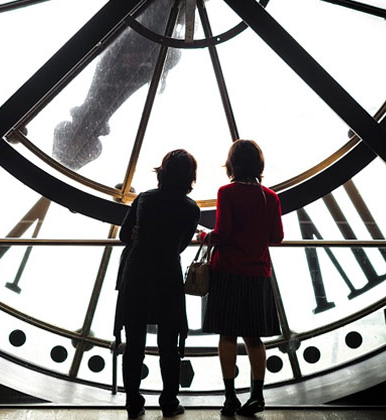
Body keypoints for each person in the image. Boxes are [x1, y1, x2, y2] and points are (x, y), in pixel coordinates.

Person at [200, 139, 284, 417]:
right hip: (257, 273)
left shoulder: (227, 192)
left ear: (232, 164)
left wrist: (204, 237)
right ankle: (257, 395)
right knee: (254, 338)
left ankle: (230, 397)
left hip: (228, 272)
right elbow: (276, 237)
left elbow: (221, 233)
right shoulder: (270, 197)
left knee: (227, 336)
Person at [117, 149, 200, 418]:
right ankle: (168, 402)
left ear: (162, 173)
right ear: (190, 178)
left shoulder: (144, 200)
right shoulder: (191, 209)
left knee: (134, 343)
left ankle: (132, 401)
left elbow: (123, 236)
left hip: (137, 274)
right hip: (168, 277)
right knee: (169, 345)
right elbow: (182, 245)